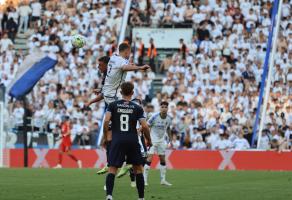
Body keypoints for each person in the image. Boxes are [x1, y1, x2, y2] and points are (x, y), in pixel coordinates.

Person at [96, 42, 150, 175]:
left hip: (109, 95)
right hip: (113, 96)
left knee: (112, 132)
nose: (129, 55)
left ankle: (112, 163)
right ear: (126, 52)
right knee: (128, 124)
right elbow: (125, 67)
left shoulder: (114, 57)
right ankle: (129, 161)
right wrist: (140, 67)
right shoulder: (120, 60)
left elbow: (121, 67)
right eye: (129, 53)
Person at [103, 82, 151, 200]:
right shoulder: (137, 108)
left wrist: (105, 136)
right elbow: (144, 126)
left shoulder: (113, 105)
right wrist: (148, 139)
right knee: (138, 169)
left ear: (120, 92)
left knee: (112, 168)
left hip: (117, 140)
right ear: (132, 92)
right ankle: (141, 198)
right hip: (132, 140)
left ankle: (109, 196)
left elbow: (106, 121)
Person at [143, 101, 172, 186]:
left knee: (162, 159)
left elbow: (168, 129)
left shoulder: (169, 118)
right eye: (162, 107)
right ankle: (144, 180)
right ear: (160, 108)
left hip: (161, 140)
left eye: (165, 107)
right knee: (149, 159)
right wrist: (146, 138)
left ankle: (163, 180)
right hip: (152, 140)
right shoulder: (154, 116)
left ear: (167, 108)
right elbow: (146, 126)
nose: (164, 109)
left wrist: (170, 139)